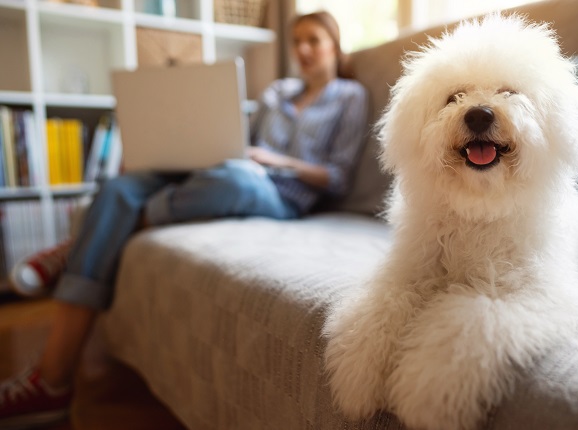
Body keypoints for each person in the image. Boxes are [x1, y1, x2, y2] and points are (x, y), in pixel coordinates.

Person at [0, 10, 368, 429]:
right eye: (296, 40)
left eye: (313, 40)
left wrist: (274, 159)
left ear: (334, 46)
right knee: (123, 185)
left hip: (279, 194)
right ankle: (52, 378)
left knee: (236, 177)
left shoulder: (349, 96)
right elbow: (236, 140)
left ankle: (80, 246)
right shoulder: (277, 92)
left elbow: (337, 177)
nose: (302, 49)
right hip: (226, 172)